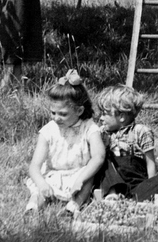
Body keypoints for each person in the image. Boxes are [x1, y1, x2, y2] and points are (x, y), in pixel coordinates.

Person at [26, 70, 106, 215]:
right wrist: (41, 183)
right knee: (38, 190)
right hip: (53, 174)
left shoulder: (89, 128)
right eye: (53, 113)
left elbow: (98, 157)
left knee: (89, 179)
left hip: (78, 173)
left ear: (79, 110)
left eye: (63, 114)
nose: (56, 118)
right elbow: (34, 166)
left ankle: (73, 206)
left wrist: (81, 179)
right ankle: (33, 207)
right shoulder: (48, 130)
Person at [95, 85, 158, 201]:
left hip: (137, 182)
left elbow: (150, 163)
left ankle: (133, 199)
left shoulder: (140, 131)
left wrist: (151, 184)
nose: (101, 118)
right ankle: (112, 194)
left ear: (121, 117)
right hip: (113, 182)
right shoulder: (102, 133)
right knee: (103, 159)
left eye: (105, 114)